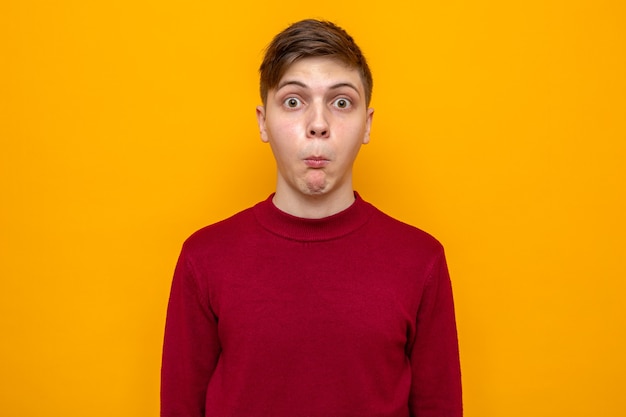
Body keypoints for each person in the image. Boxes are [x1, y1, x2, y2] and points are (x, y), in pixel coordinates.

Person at [161, 19, 462, 417]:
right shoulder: (203, 258)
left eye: (341, 102)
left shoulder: (421, 259)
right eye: (293, 101)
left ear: (367, 124)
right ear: (262, 121)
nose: (318, 124)